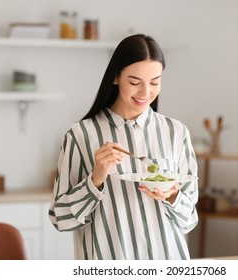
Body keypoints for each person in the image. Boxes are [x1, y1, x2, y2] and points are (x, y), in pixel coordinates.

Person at [49, 34, 198, 260]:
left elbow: (190, 220)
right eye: (135, 82)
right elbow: (61, 219)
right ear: (116, 77)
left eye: (155, 82)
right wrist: (95, 180)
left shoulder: (176, 132)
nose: (145, 92)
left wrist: (172, 195)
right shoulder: (81, 135)